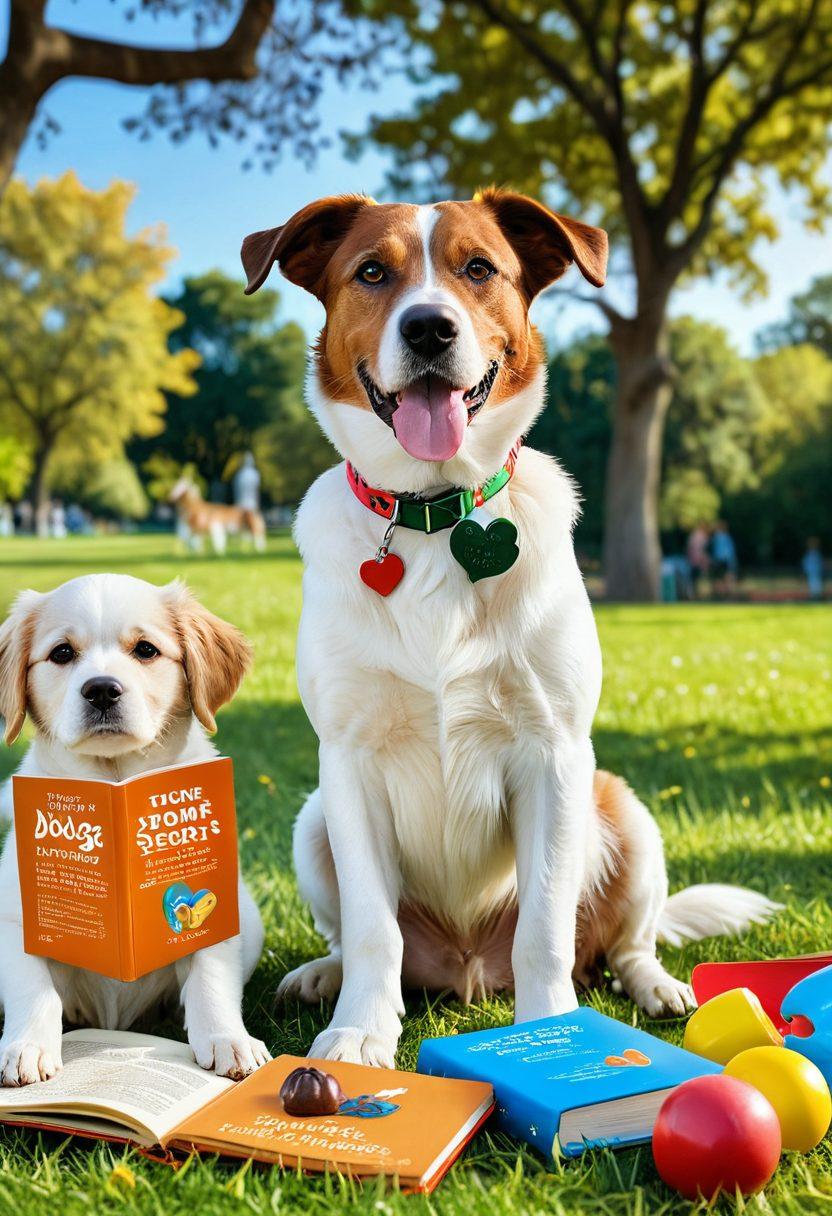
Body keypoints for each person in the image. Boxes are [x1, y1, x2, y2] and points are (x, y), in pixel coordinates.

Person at [710, 520, 737, 598]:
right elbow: (731, 551)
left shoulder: (716, 537)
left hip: (719, 560)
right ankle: (727, 592)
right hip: (726, 560)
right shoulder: (727, 537)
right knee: (727, 576)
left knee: (718, 577)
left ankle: (720, 593)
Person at [686, 522, 710, 598]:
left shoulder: (692, 536)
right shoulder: (703, 537)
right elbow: (706, 549)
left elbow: (688, 548)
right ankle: (700, 595)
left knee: (694, 579)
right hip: (700, 561)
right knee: (700, 579)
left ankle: (694, 594)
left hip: (693, 561)